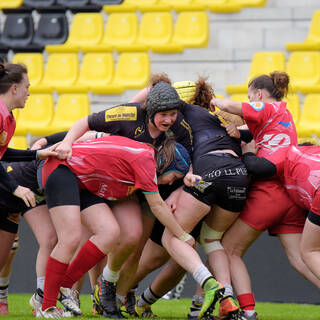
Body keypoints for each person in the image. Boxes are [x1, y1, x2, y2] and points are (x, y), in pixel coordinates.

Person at [37, 135, 205, 319]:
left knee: (110, 233)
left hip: (81, 182)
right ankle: (46, 305)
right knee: (69, 238)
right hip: (61, 170)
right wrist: (182, 235)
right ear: (166, 164)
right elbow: (157, 206)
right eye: (174, 176)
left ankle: (65, 284)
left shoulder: (146, 155)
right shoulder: (147, 161)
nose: (172, 182)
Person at [209, 71, 317, 320]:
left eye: (250, 97)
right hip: (289, 195)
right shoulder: (284, 114)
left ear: (258, 95)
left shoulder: (267, 107)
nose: (249, 102)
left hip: (269, 193)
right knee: (302, 257)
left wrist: (213, 102)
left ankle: (247, 311)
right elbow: (264, 138)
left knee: (228, 249)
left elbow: (231, 107)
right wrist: (243, 135)